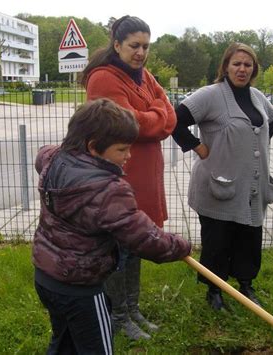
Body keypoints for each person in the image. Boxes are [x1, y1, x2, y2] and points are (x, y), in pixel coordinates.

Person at [32, 98, 191, 354]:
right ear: (94, 147)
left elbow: (43, 152)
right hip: (81, 288)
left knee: (65, 341)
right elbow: (144, 239)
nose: (129, 156)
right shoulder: (108, 189)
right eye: (122, 149)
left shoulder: (53, 159)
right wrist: (181, 246)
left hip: (46, 276)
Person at [81, 16, 176, 339]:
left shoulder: (145, 76)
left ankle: (132, 309)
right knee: (117, 250)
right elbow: (129, 126)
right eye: (134, 46)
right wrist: (157, 115)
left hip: (145, 177)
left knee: (134, 246)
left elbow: (169, 117)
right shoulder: (104, 79)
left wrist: (155, 117)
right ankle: (117, 316)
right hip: (119, 178)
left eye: (146, 46)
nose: (141, 53)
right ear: (117, 44)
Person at [171, 43, 273, 311]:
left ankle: (245, 285)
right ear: (226, 66)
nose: (242, 69)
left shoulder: (257, 97)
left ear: (254, 69)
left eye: (248, 65)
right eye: (236, 64)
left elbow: (271, 121)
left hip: (251, 186)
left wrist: (254, 147)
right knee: (217, 241)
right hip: (218, 185)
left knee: (249, 237)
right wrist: (198, 146)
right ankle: (214, 290)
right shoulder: (210, 95)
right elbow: (174, 119)